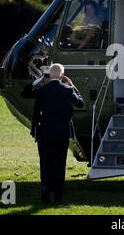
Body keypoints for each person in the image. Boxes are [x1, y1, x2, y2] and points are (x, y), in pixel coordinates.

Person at [21, 63, 84, 203]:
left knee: (45, 162)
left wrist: (38, 80)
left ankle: (45, 190)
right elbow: (80, 103)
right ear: (62, 76)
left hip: (44, 132)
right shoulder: (67, 90)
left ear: (48, 75)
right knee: (59, 163)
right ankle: (58, 195)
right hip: (62, 134)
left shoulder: (42, 90)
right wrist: (72, 85)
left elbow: (25, 93)